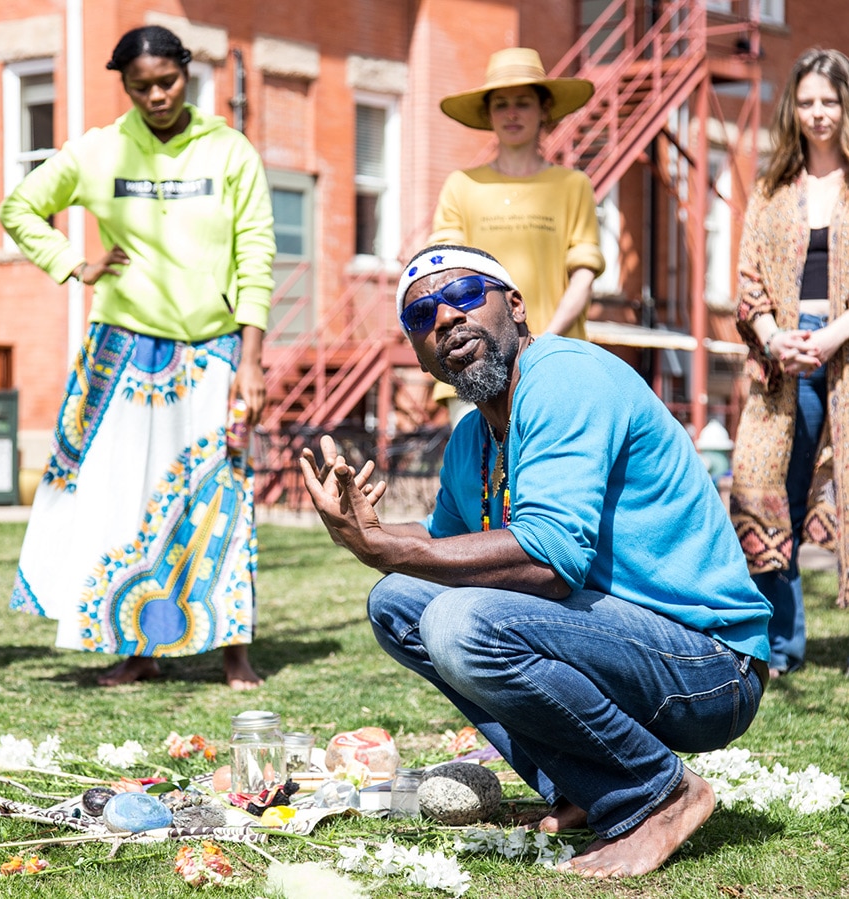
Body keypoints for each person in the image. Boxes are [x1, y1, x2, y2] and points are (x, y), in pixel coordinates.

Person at [300, 245, 771, 878]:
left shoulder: (565, 378)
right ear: (417, 349)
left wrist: (396, 548)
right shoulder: (472, 438)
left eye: (465, 294)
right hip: (615, 647)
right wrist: (368, 529)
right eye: (420, 315)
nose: (444, 318)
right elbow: (442, 555)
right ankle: (581, 786)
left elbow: (548, 561)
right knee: (398, 603)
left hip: (708, 668)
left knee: (460, 623)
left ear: (515, 306)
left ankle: (660, 793)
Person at [0, 25, 275, 690]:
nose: (156, 95)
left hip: (212, 351)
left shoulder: (230, 151)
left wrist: (252, 358)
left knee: (220, 495)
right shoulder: (99, 151)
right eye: (140, 86)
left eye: (167, 81)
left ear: (187, 72)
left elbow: (256, 255)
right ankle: (136, 648)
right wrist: (75, 264)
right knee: (127, 500)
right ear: (123, 86)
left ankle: (232, 646)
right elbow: (20, 208)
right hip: (121, 353)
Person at [730, 47, 849, 678]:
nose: (818, 112)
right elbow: (748, 276)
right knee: (766, 493)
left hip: (843, 351)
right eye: (806, 101)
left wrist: (831, 337)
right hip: (782, 358)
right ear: (792, 109)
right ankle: (781, 645)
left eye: (829, 100)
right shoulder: (773, 188)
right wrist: (775, 336)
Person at [429, 47, 605, 424]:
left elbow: (584, 275)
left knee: (548, 478)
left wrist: (542, 345)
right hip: (475, 361)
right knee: (479, 479)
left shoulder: (573, 185)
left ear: (544, 110)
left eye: (523, 103)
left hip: (557, 364)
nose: (511, 113)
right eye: (501, 104)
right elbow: (444, 275)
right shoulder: (461, 186)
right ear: (488, 114)